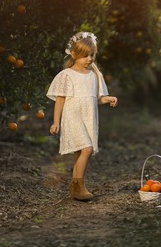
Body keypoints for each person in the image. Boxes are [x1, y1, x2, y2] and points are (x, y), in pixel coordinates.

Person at [46, 31, 118, 201]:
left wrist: (108, 99)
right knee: (87, 148)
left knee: (81, 152)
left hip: (88, 117)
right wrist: (56, 122)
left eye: (92, 55)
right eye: (85, 56)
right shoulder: (67, 75)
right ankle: (79, 185)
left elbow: (96, 98)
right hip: (73, 117)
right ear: (73, 54)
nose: (89, 59)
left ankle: (75, 186)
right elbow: (60, 100)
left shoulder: (94, 75)